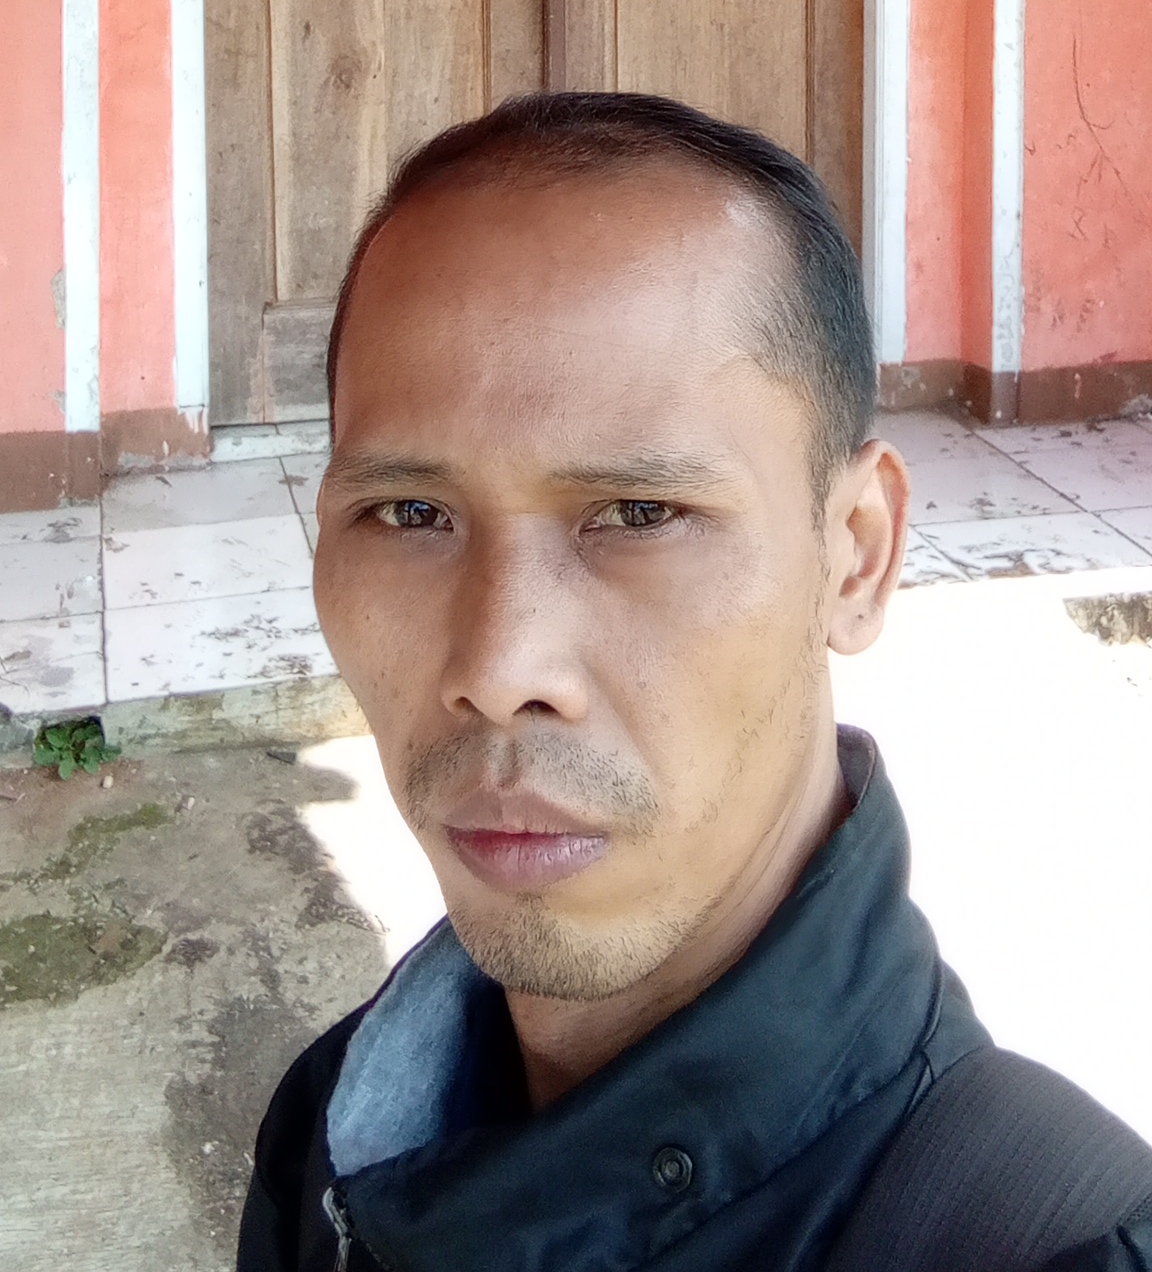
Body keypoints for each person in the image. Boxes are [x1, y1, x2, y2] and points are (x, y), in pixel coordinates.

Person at [238, 92, 1152, 1272]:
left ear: (856, 554)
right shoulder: (336, 1136)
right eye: (410, 512)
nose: (500, 668)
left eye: (639, 512)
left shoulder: (1057, 1244)